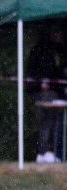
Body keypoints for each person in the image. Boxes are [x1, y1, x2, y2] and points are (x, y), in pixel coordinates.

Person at [27, 25, 66, 163]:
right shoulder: (40, 50)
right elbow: (32, 72)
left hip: (59, 90)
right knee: (47, 121)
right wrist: (40, 83)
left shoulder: (61, 50)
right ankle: (43, 152)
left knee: (58, 122)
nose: (59, 36)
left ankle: (58, 153)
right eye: (57, 33)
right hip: (46, 91)